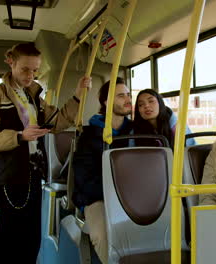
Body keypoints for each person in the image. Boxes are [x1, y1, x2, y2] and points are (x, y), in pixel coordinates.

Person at [0, 42, 89, 263]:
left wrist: (77, 96)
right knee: (11, 236)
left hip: (34, 172)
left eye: (35, 70)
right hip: (11, 174)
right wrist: (20, 136)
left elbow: (57, 122)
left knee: (31, 236)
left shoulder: (33, 97)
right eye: (25, 69)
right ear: (11, 63)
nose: (31, 75)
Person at [72, 77, 132, 264]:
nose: (128, 99)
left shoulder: (135, 131)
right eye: (121, 96)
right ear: (106, 102)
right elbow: (84, 179)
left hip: (132, 195)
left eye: (128, 95)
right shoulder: (89, 136)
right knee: (102, 234)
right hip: (98, 197)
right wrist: (116, 191)